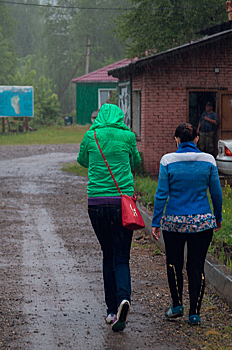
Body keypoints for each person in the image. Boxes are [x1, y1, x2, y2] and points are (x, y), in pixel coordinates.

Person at [77, 103, 141, 332]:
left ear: (100, 116)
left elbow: (82, 161)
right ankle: (124, 299)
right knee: (121, 257)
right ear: (119, 116)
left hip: (95, 203)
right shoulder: (128, 136)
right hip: (122, 203)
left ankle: (111, 310)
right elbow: (136, 163)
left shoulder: (90, 135)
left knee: (107, 254)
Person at [151, 123, 223, 326]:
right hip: (202, 224)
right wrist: (217, 217)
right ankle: (195, 313)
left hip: (174, 223)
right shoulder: (209, 160)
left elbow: (161, 194)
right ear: (196, 139)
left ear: (176, 139)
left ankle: (177, 306)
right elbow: (216, 194)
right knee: (196, 266)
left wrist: (156, 221)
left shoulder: (167, 160)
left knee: (174, 263)